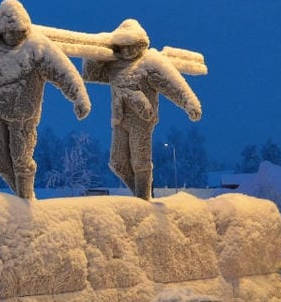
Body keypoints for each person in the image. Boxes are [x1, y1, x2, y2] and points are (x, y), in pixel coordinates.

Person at [0, 0, 90, 200]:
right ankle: (24, 198)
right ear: (1, 30)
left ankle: (25, 200)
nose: (12, 36)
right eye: (8, 33)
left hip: (23, 113)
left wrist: (79, 96)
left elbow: (63, 71)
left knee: (21, 160)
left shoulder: (37, 48)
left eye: (17, 32)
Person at [82, 19, 201, 199]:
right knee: (117, 163)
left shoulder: (150, 63)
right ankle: (142, 195)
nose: (127, 51)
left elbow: (173, 84)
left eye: (132, 46)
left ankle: (143, 198)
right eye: (123, 47)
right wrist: (98, 51)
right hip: (120, 119)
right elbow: (90, 75)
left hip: (141, 119)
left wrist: (190, 104)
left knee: (140, 162)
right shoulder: (114, 66)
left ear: (141, 44)